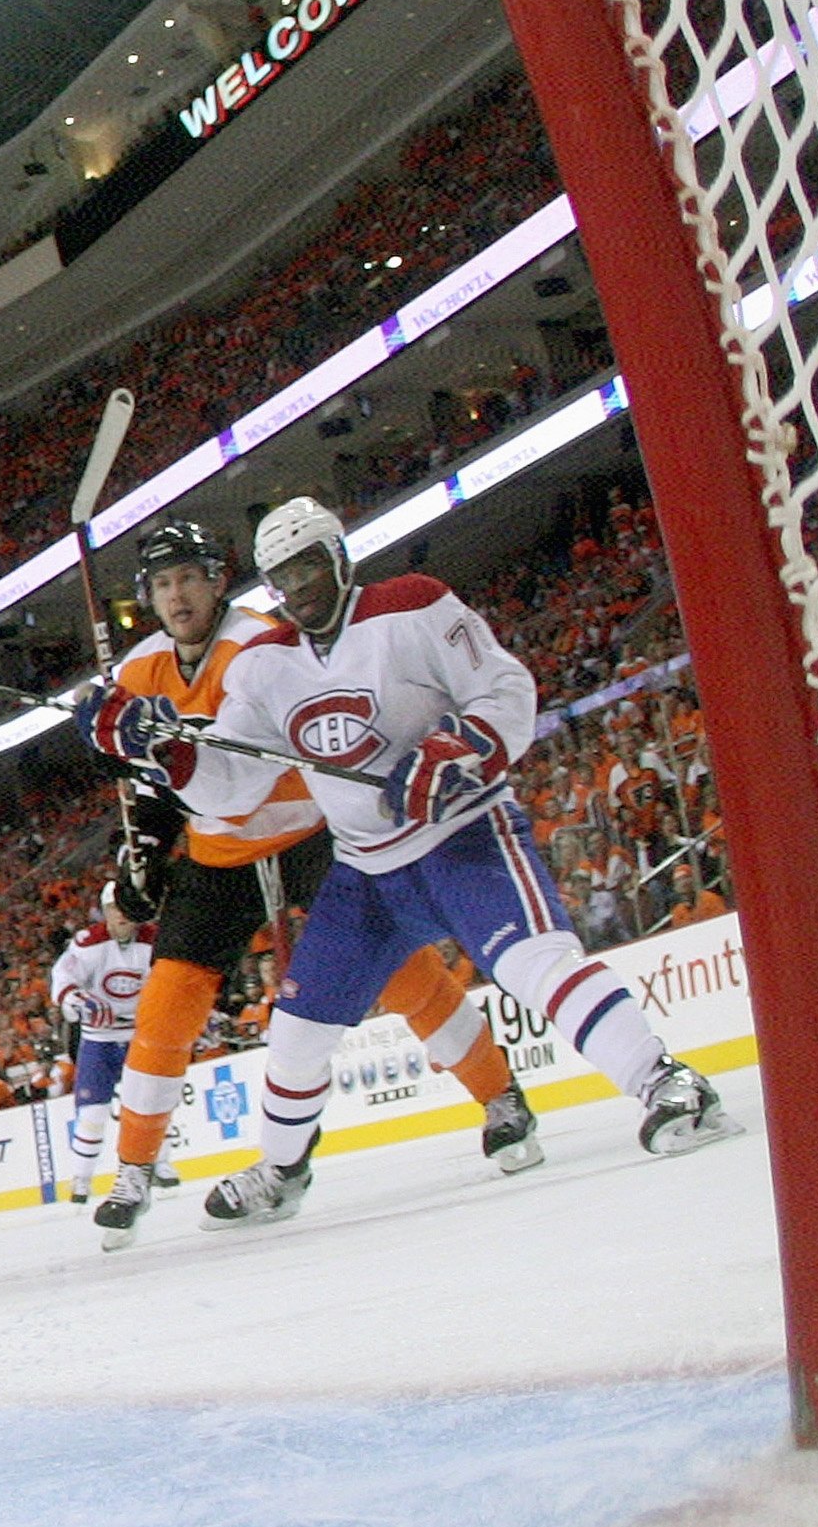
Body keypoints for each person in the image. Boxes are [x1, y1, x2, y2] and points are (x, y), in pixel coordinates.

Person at [173, 495, 744, 1228]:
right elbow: (230, 789)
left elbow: (505, 690)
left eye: (311, 565)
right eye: (285, 578)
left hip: (464, 836)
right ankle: (282, 1168)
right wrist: (172, 755)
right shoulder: (261, 669)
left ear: (341, 558)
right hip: (365, 872)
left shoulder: (415, 606)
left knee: (539, 964)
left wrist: (460, 747)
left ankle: (670, 1084)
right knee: (296, 1029)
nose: (302, 587)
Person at [77, 519, 537, 1244]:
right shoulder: (138, 671)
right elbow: (153, 786)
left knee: (404, 972)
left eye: (190, 578)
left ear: (218, 580)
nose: (179, 596)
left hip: (311, 828)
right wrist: (139, 846)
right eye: (164, 585)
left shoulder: (262, 644)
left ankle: (500, 1097)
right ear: (148, 598)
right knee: (167, 1003)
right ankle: (134, 1170)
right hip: (219, 852)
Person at [42, 887, 148, 1201]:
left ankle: (159, 1164)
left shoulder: (155, 941)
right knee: (93, 1113)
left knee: (146, 1104)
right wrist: (75, 998)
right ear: (105, 911)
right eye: (115, 908)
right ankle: (81, 1178)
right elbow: (62, 976)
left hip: (138, 1035)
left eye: (128, 908)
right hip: (98, 1038)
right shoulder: (89, 943)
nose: (122, 915)